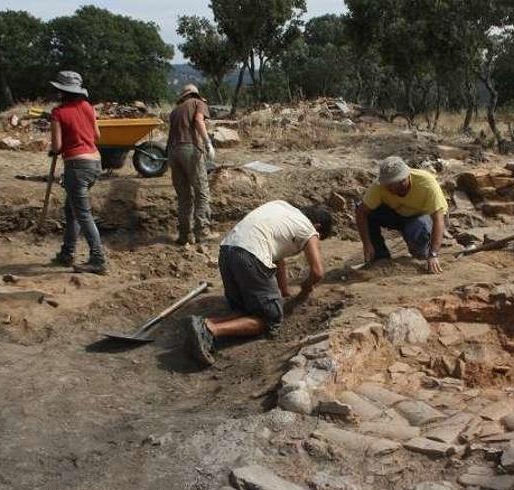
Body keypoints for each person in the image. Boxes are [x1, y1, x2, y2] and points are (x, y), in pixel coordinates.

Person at [184, 201, 334, 366]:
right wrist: (306, 288)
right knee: (270, 320)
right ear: (317, 226)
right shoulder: (308, 228)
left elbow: (278, 258)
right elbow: (318, 272)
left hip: (227, 251)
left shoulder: (281, 207)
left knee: (246, 309)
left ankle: (203, 324)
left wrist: (284, 291)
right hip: (250, 256)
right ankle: (211, 330)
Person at [49, 71, 107, 275]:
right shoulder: (88, 107)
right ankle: (67, 252)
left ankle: (98, 259)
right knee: (71, 209)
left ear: (62, 91)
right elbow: (96, 135)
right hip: (95, 162)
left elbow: (57, 146)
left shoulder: (58, 113)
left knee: (82, 214)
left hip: (76, 166)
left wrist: (55, 149)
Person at [356, 156, 448, 274]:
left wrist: (433, 254)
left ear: (405, 178)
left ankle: (421, 249)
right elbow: (361, 212)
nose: (390, 189)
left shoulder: (426, 183)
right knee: (367, 211)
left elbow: (438, 218)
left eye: (394, 185)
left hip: (421, 217)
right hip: (397, 214)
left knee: (419, 238)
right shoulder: (380, 187)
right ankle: (380, 257)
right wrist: (367, 244)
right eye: (388, 185)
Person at [167, 84, 215, 245]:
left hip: (172, 152)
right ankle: (202, 232)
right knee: (202, 191)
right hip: (189, 148)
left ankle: (185, 234)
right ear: (195, 94)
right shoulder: (197, 103)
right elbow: (199, 120)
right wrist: (208, 143)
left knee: (184, 196)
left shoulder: (175, 111)